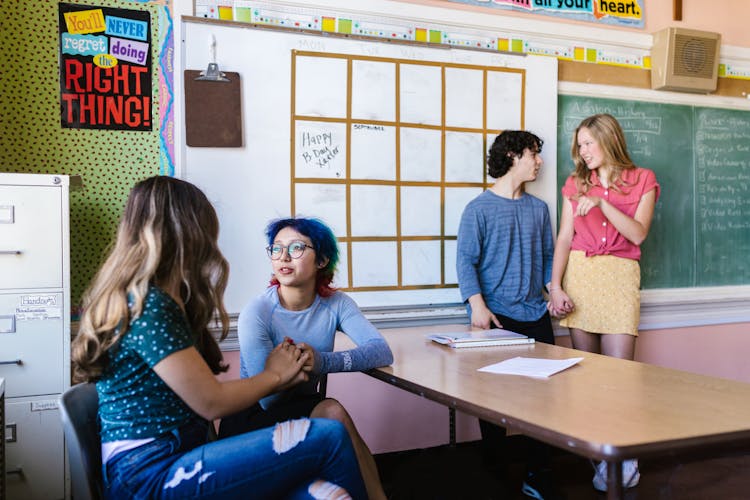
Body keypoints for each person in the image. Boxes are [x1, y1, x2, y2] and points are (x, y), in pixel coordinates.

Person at [71, 176, 366, 499]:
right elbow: (211, 402)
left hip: (182, 452)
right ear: (188, 233)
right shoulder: (149, 305)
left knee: (325, 495)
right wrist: (275, 374)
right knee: (329, 436)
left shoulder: (164, 300)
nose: (212, 244)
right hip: (150, 474)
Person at [219, 216, 394, 500]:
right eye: (276, 249)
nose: (283, 257)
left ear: (322, 259)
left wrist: (322, 362)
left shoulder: (336, 304)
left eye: (297, 247)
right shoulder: (258, 311)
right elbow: (269, 399)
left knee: (333, 414)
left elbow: (380, 350)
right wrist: (298, 368)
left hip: (301, 404)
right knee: (332, 411)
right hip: (253, 414)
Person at [548, 113, 660, 492]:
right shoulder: (574, 183)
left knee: (620, 378)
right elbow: (564, 237)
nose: (582, 151)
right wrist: (555, 286)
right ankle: (600, 461)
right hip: (581, 274)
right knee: (589, 378)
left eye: (587, 144)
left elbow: (638, 234)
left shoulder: (643, 179)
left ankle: (624, 454)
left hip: (620, 275)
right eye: (578, 145)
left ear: (608, 140)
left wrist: (601, 202)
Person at [456, 130, 563, 500]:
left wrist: (555, 291)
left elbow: (550, 258)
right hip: (496, 319)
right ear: (514, 156)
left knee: (543, 402)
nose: (539, 161)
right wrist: (478, 306)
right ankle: (494, 479)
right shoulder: (478, 209)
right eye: (534, 154)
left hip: (535, 315)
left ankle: (538, 475)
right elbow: (465, 262)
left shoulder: (539, 209)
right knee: (493, 404)